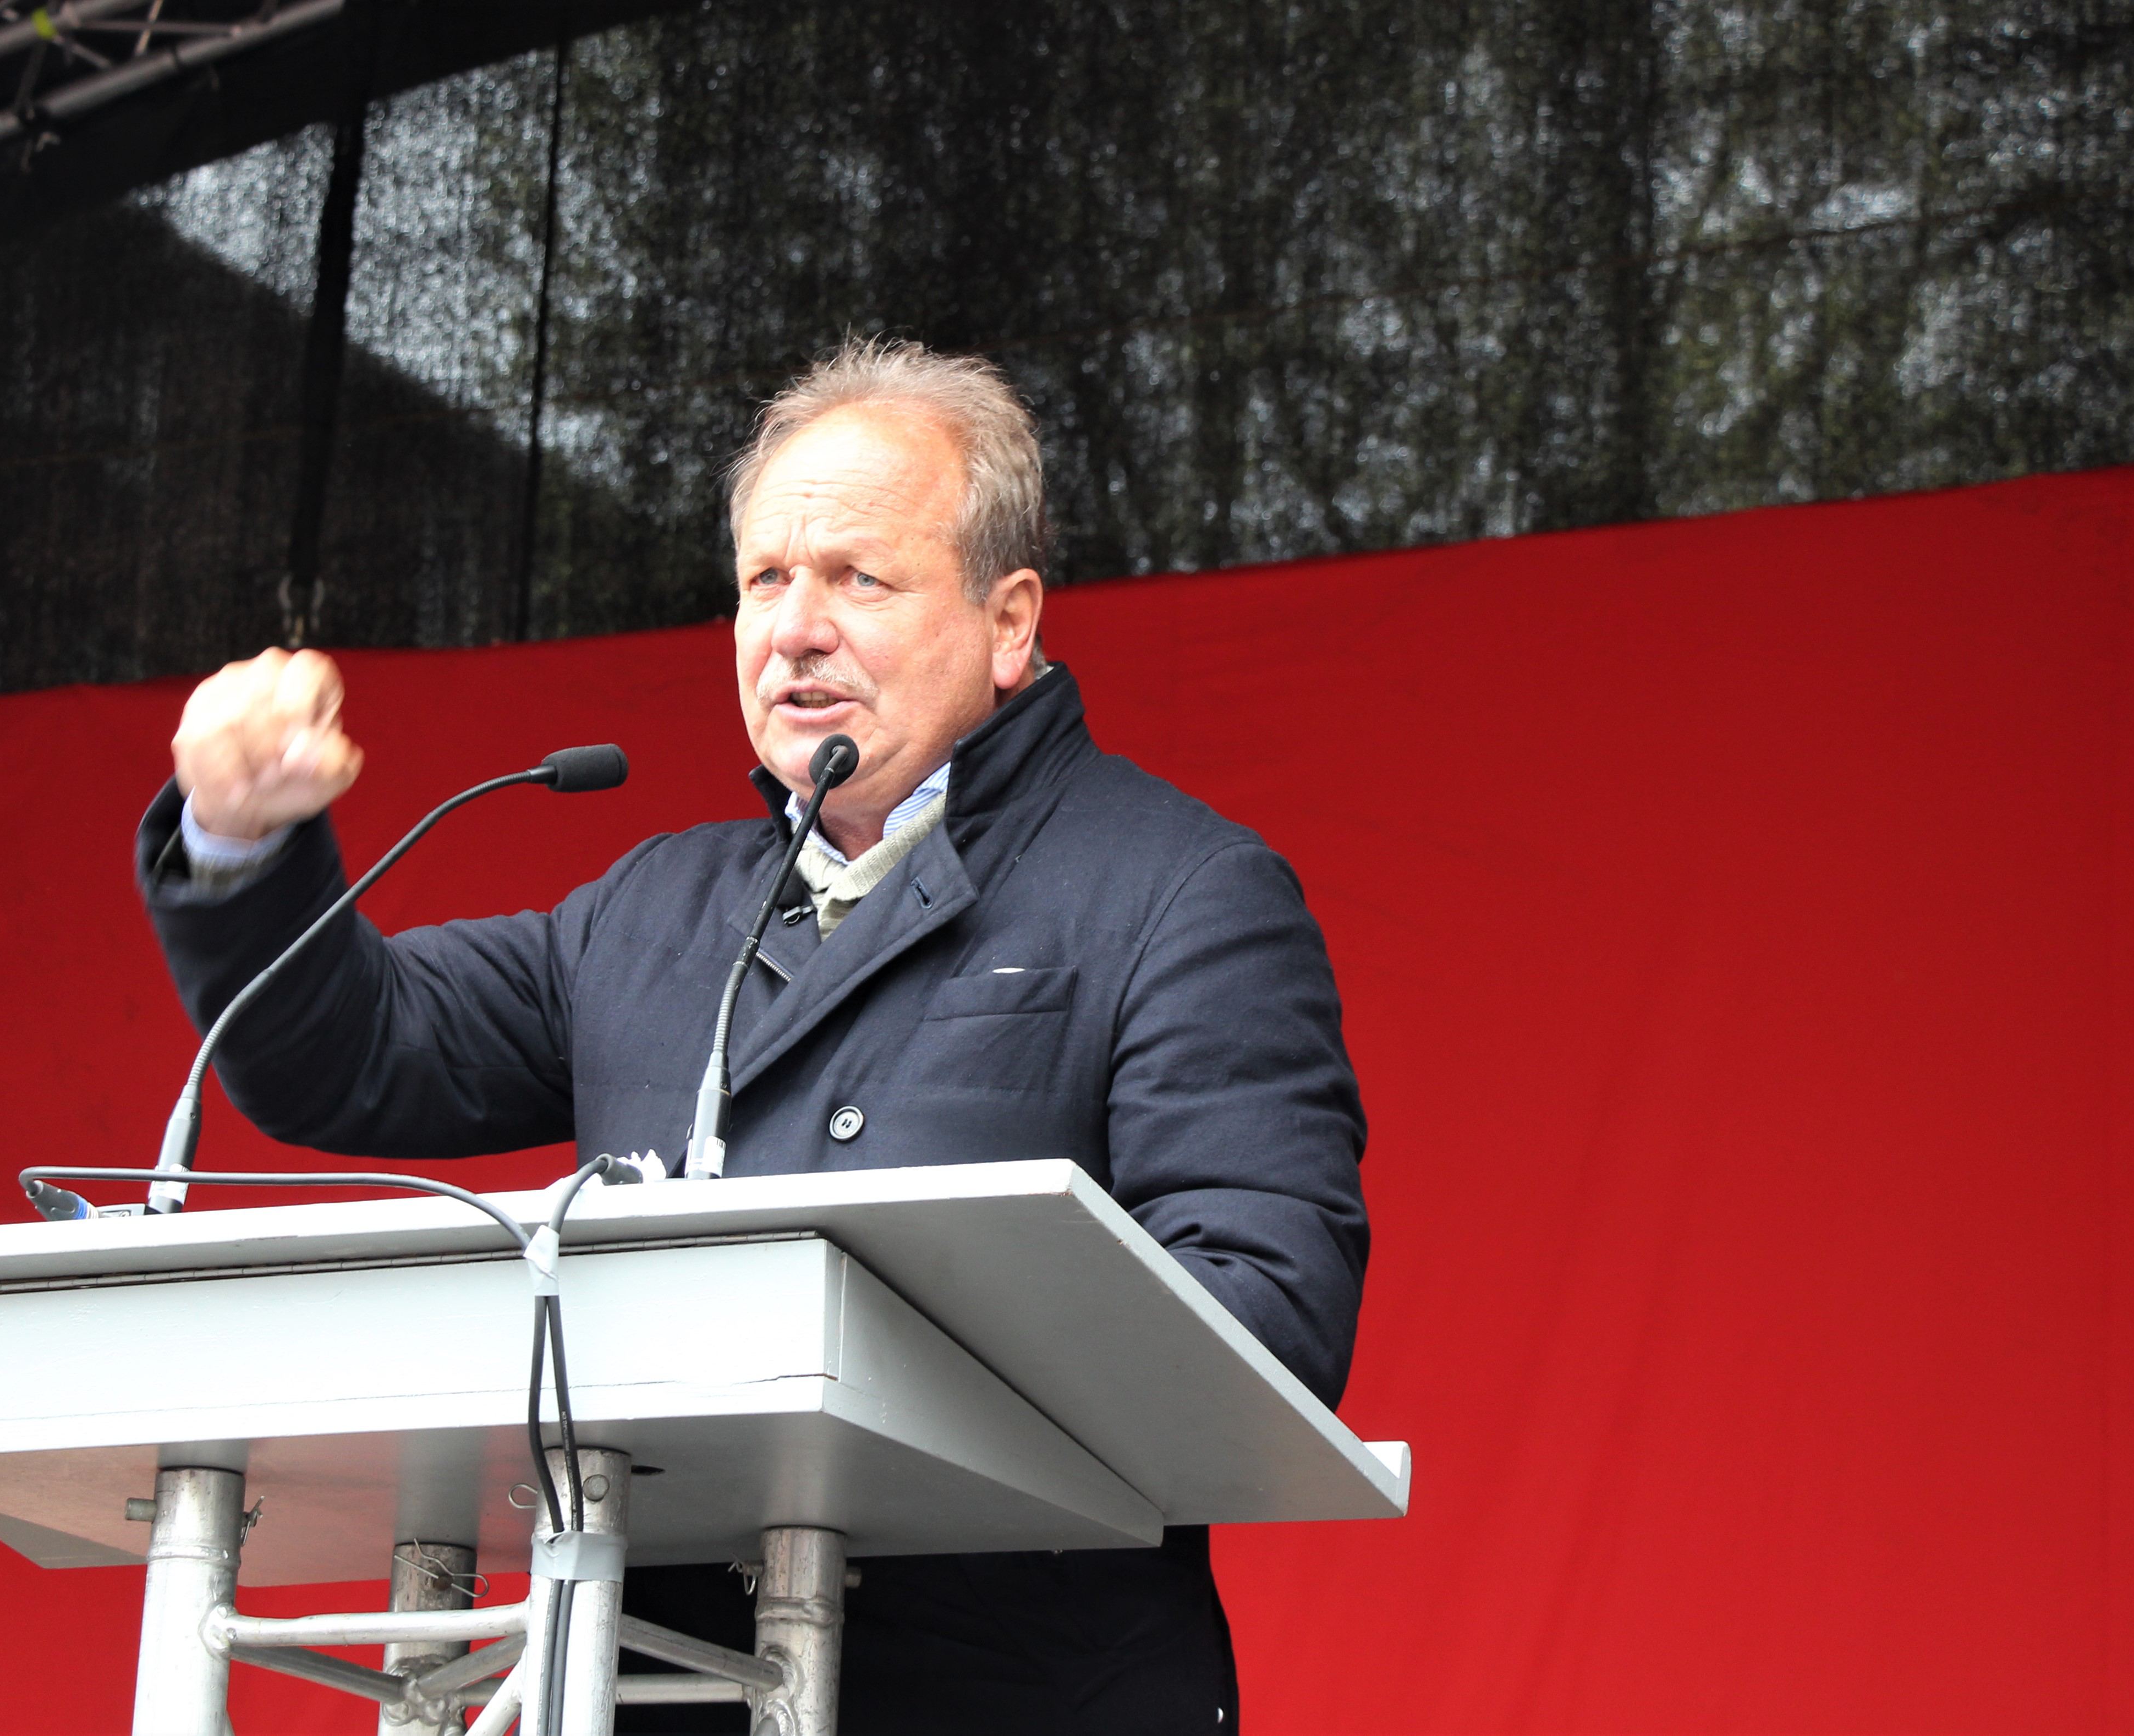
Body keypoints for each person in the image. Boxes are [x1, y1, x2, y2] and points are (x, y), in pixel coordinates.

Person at [139, 336, 1369, 1734]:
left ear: (1010, 621)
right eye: (766, 582)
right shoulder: (653, 910)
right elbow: (347, 1053)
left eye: (858, 577)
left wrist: (892, 1353)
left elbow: (1265, 1315)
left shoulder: (1179, 894)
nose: (795, 628)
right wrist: (238, 837)